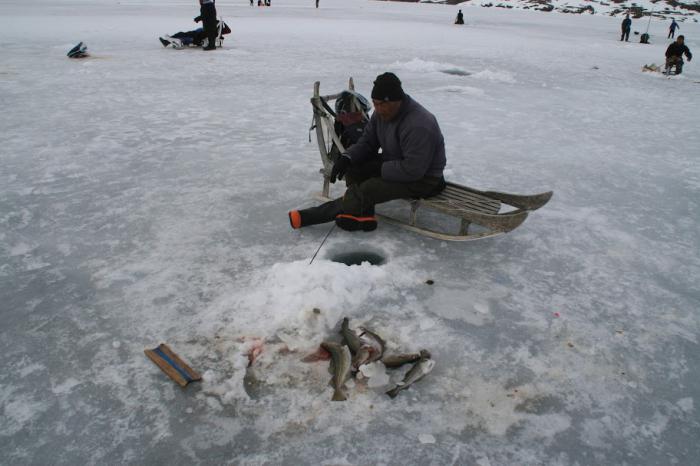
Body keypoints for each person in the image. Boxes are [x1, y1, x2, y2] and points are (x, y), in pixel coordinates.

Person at [289, 73, 447, 232]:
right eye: (374, 104)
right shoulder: (382, 114)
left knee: (370, 188)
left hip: (424, 179)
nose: (377, 109)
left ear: (395, 101)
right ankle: (363, 213)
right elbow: (367, 142)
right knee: (354, 168)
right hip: (395, 164)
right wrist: (347, 157)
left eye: (381, 104)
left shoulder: (418, 124)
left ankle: (313, 216)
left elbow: (413, 170)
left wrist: (378, 169)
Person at [159, 20, 230, 48]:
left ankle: (167, 41)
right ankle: (168, 40)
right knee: (183, 35)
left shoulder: (211, 30)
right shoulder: (214, 31)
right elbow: (228, 30)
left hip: (196, 35)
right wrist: (222, 23)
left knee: (181, 34)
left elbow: (228, 30)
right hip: (197, 34)